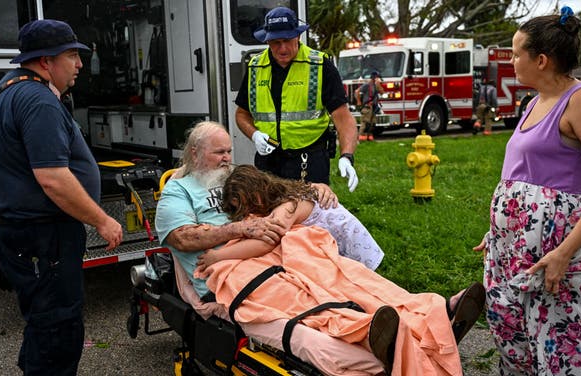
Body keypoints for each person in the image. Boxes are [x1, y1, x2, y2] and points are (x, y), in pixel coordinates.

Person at [155, 121, 485, 375]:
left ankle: (435, 311)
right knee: (301, 300)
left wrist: (311, 189)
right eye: (219, 153)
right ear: (195, 154)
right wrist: (241, 229)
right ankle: (369, 335)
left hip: (276, 245)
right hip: (233, 269)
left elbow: (274, 192)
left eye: (229, 151)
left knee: (344, 275)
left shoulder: (233, 179)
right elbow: (183, 237)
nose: (227, 158)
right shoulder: (178, 193)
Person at [0, 19, 123, 375]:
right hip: (45, 238)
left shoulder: (4, 92)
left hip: (24, 236)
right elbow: (53, 179)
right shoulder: (37, 100)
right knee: (59, 330)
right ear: (45, 61)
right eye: (72, 55)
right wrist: (102, 220)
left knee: (43, 323)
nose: (79, 65)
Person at [473, 7, 581, 375]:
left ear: (541, 60)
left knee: (562, 350)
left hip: (559, 257)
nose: (510, 62)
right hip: (512, 252)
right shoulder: (531, 104)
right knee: (515, 343)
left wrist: (563, 253)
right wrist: (499, 232)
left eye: (515, 54)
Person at [234, 7, 359, 192]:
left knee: (311, 215)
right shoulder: (255, 67)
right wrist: (254, 134)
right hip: (269, 161)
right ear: (267, 40)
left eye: (287, 41)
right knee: (270, 216)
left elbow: (343, 117)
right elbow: (242, 114)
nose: (282, 48)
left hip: (309, 159)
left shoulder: (319, 65)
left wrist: (346, 156)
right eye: (276, 42)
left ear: (298, 37)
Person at [198, 164, 384, 271]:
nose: (249, 212)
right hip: (346, 237)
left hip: (353, 244)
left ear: (259, 189)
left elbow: (267, 242)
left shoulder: (287, 207)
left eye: (249, 204)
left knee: (362, 279)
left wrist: (218, 256)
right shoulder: (286, 192)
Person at [355, 70, 385, 141]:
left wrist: (378, 85)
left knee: (372, 123)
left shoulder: (376, 86)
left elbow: (382, 92)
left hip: (374, 107)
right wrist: (359, 102)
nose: (379, 80)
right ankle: (362, 137)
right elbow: (357, 91)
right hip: (367, 107)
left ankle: (369, 137)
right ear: (374, 78)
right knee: (365, 122)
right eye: (378, 78)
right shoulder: (367, 85)